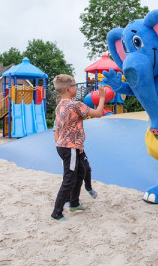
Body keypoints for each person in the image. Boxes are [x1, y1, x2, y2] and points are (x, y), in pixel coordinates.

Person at [51, 75, 105, 221]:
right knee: (69, 179)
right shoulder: (76, 105)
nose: (76, 88)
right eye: (74, 85)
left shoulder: (59, 105)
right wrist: (101, 98)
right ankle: (56, 213)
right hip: (70, 148)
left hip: (68, 147)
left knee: (81, 171)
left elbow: (58, 127)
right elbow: (98, 114)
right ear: (69, 88)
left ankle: (74, 203)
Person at [53, 96, 99, 202]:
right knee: (70, 176)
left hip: (78, 148)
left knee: (86, 168)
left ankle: (88, 188)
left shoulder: (73, 113)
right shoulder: (59, 119)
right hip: (68, 148)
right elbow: (56, 136)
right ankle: (68, 200)